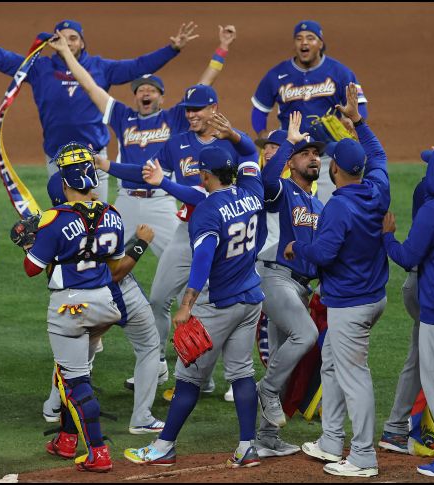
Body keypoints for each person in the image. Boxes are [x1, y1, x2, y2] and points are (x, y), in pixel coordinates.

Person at [98, 85, 258, 395]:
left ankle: (220, 376)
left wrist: (236, 137)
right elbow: (147, 172)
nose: (190, 115)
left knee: (219, 304)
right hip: (188, 232)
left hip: (227, 237)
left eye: (197, 108)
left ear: (214, 108)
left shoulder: (232, 143)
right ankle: (155, 364)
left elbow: (247, 156)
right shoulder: (178, 143)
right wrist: (108, 166)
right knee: (158, 298)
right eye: (187, 109)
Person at [0, 12, 198, 201]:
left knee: (99, 216)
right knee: (66, 217)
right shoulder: (39, 68)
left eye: (73, 38)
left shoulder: (101, 68)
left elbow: (139, 66)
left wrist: (172, 49)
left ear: (82, 43)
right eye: (62, 37)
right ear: (53, 41)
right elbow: (2, 59)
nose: (68, 42)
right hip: (56, 157)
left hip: (94, 156)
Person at [124, 145, 265, 468]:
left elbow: (202, 259)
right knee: (242, 372)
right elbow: (249, 157)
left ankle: (163, 446)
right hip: (251, 299)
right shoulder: (251, 193)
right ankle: (247, 446)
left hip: (217, 305)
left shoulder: (206, 212)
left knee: (187, 379)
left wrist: (187, 303)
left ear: (204, 175)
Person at [46, 24, 236, 257]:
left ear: (162, 97)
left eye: (152, 90)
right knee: (100, 255)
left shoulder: (174, 117)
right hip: (126, 201)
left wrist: (223, 48)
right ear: (135, 96)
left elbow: (204, 84)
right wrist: (66, 53)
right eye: (140, 89)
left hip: (161, 202)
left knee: (185, 257)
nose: (146, 92)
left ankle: (196, 292)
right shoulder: (122, 116)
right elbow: (89, 85)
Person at [284, 83, 389, 477]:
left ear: (334, 170)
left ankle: (363, 457)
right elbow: (377, 153)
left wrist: (298, 250)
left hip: (350, 304)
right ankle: (331, 440)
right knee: (332, 364)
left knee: (353, 375)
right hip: (373, 296)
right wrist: (358, 122)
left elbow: (322, 256)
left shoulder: (337, 209)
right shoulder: (378, 189)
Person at [22, 143, 125, 472]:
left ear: (64, 184)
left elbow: (31, 268)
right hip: (105, 305)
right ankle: (67, 439)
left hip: (70, 308)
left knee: (74, 380)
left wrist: (30, 242)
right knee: (76, 370)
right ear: (93, 179)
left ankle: (98, 451)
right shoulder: (113, 214)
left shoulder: (54, 219)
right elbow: (114, 261)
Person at [39, 173, 164, 436]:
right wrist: (141, 244)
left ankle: (54, 407)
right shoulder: (105, 215)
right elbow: (116, 273)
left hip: (78, 302)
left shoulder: (56, 226)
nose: (89, 190)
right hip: (115, 295)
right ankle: (141, 417)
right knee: (149, 345)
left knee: (74, 359)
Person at [253, 112, 326, 458]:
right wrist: (289, 143)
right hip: (273, 276)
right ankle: (265, 391)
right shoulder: (281, 190)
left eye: (316, 154)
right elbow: (267, 179)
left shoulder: (318, 203)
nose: (313, 157)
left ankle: (266, 438)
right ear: (292, 162)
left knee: (284, 361)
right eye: (305, 153)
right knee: (306, 335)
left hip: (300, 286)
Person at [251, 20, 367, 204]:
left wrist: (353, 121)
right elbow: (259, 110)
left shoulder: (340, 72)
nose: (304, 43)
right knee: (295, 212)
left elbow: (359, 105)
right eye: (299, 38)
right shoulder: (277, 74)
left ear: (320, 43)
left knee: (332, 207)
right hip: (293, 157)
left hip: (329, 155)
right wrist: (262, 132)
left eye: (310, 38)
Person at [381, 147, 434, 478]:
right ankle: (399, 426)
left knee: (432, 381)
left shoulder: (431, 209)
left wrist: (388, 239)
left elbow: (408, 256)